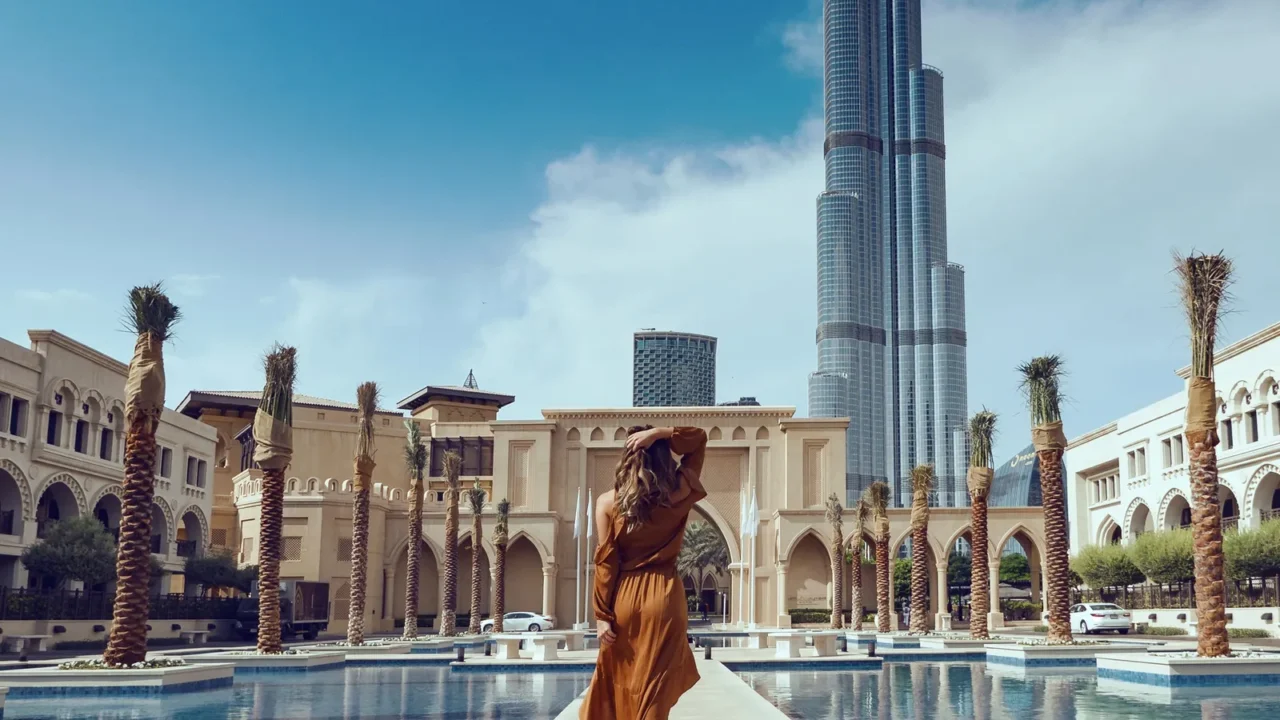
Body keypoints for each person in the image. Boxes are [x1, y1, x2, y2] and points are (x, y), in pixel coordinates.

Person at [579, 425, 707, 720]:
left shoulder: (607, 503)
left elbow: (607, 563)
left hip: (624, 597)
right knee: (654, 690)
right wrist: (661, 433)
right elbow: (698, 439)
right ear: (664, 457)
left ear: (627, 457)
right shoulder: (679, 491)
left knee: (622, 682)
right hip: (664, 597)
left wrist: (601, 616)